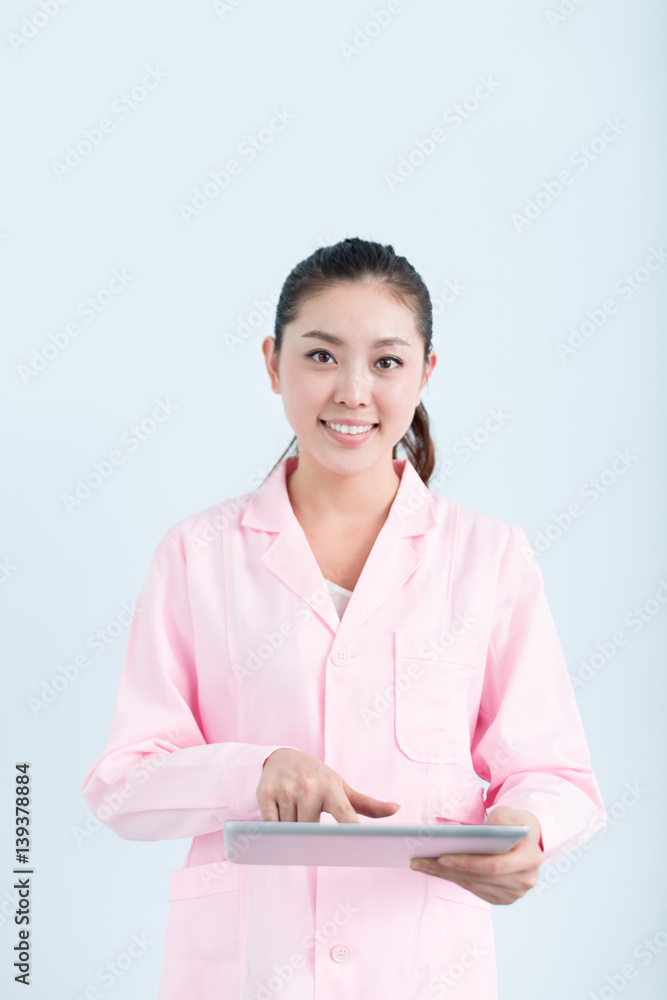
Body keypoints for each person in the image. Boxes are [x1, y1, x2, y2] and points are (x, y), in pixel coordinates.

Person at [81, 237, 607, 1000]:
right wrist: (253, 770)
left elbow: (554, 771)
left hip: (421, 966)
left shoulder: (487, 556)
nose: (353, 391)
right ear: (272, 363)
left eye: (387, 362)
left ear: (426, 373)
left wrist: (529, 828)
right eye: (321, 356)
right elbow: (123, 783)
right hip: (248, 969)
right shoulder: (197, 554)